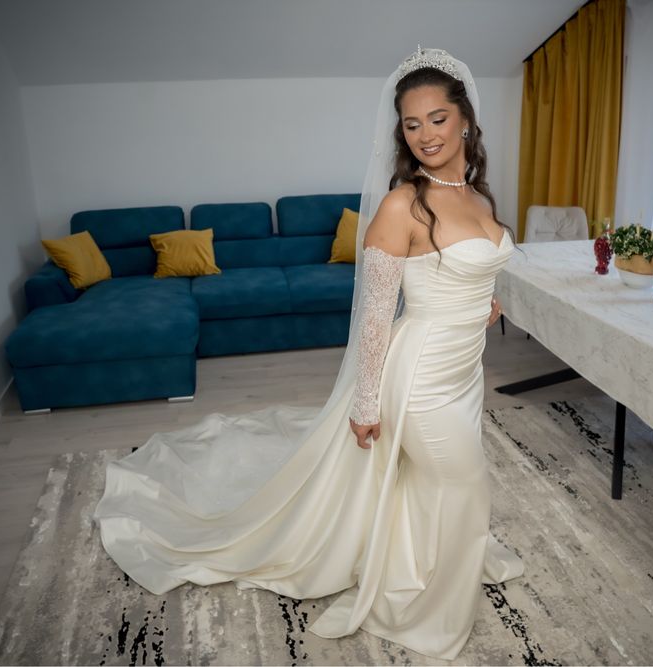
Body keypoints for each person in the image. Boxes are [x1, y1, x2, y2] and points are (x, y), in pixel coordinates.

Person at [93, 46, 524, 661]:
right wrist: (366, 402)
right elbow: (375, 315)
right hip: (421, 378)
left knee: (436, 485)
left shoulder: (479, 196)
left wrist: (484, 302)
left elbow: (467, 271)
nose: (425, 134)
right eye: (411, 123)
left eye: (437, 118)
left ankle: (421, 562)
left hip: (465, 372)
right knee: (467, 485)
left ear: (465, 121)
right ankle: (434, 616)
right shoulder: (402, 204)